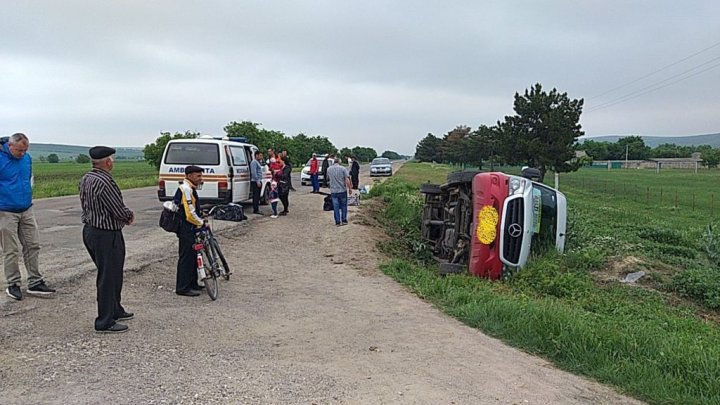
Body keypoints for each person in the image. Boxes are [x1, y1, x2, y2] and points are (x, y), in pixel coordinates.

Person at [79, 146, 134, 333]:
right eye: (112, 159)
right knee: (108, 276)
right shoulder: (105, 181)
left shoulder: (87, 178)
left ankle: (115, 309)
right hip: (106, 234)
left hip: (91, 231)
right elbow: (116, 208)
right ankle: (105, 320)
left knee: (112, 272)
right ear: (108, 162)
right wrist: (128, 216)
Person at [1, 133, 56, 301]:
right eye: (19, 150)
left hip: (26, 208)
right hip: (5, 211)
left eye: (25, 150)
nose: (22, 153)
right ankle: (13, 284)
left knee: (33, 245)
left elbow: (28, 179)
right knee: (11, 250)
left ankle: (35, 281)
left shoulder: (27, 159)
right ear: (10, 146)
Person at [173, 165, 205, 297]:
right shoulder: (185, 189)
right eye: (198, 176)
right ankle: (182, 287)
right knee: (186, 257)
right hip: (186, 227)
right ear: (189, 176)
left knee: (193, 255)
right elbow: (189, 213)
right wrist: (201, 223)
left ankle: (193, 283)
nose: (200, 179)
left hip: (190, 227)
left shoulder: (190, 188)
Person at [326, 158, 353, 226]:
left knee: (336, 207)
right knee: (344, 206)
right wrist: (350, 188)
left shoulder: (329, 169)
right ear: (339, 162)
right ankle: (344, 220)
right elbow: (347, 179)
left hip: (333, 191)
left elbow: (328, 179)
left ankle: (337, 221)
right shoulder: (343, 169)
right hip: (342, 190)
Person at [250, 150, 264, 215]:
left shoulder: (258, 162)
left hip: (258, 180)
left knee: (258, 196)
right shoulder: (254, 162)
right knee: (256, 196)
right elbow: (254, 173)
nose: (261, 157)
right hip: (255, 181)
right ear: (256, 155)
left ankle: (257, 208)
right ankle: (256, 209)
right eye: (260, 155)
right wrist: (257, 181)